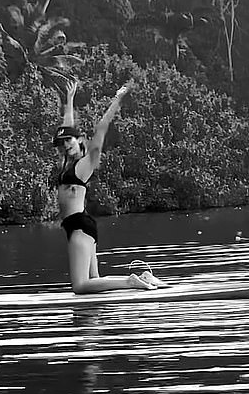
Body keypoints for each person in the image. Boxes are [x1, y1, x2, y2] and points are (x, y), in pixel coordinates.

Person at [54, 79, 167, 294]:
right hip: (80, 226)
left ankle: (129, 282)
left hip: (78, 226)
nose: (66, 144)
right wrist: (69, 100)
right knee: (94, 282)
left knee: (80, 286)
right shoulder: (66, 163)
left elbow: (101, 128)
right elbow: (66, 127)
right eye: (63, 142)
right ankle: (144, 278)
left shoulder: (84, 164)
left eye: (70, 140)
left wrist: (117, 100)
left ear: (80, 140)